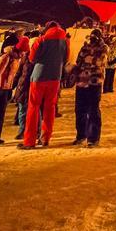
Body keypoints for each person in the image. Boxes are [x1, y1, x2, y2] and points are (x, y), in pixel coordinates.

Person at [20, 21, 69, 149]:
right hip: (55, 77)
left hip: (39, 76)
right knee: (50, 108)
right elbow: (66, 58)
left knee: (33, 107)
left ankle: (29, 141)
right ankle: (46, 138)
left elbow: (32, 58)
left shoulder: (41, 40)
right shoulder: (65, 41)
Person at [70, 30, 107, 147]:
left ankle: (93, 138)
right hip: (81, 82)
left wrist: (86, 62)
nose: (92, 39)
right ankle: (81, 135)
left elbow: (99, 62)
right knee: (80, 110)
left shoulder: (104, 48)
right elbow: (78, 61)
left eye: (95, 37)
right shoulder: (84, 47)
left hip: (94, 83)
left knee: (93, 110)